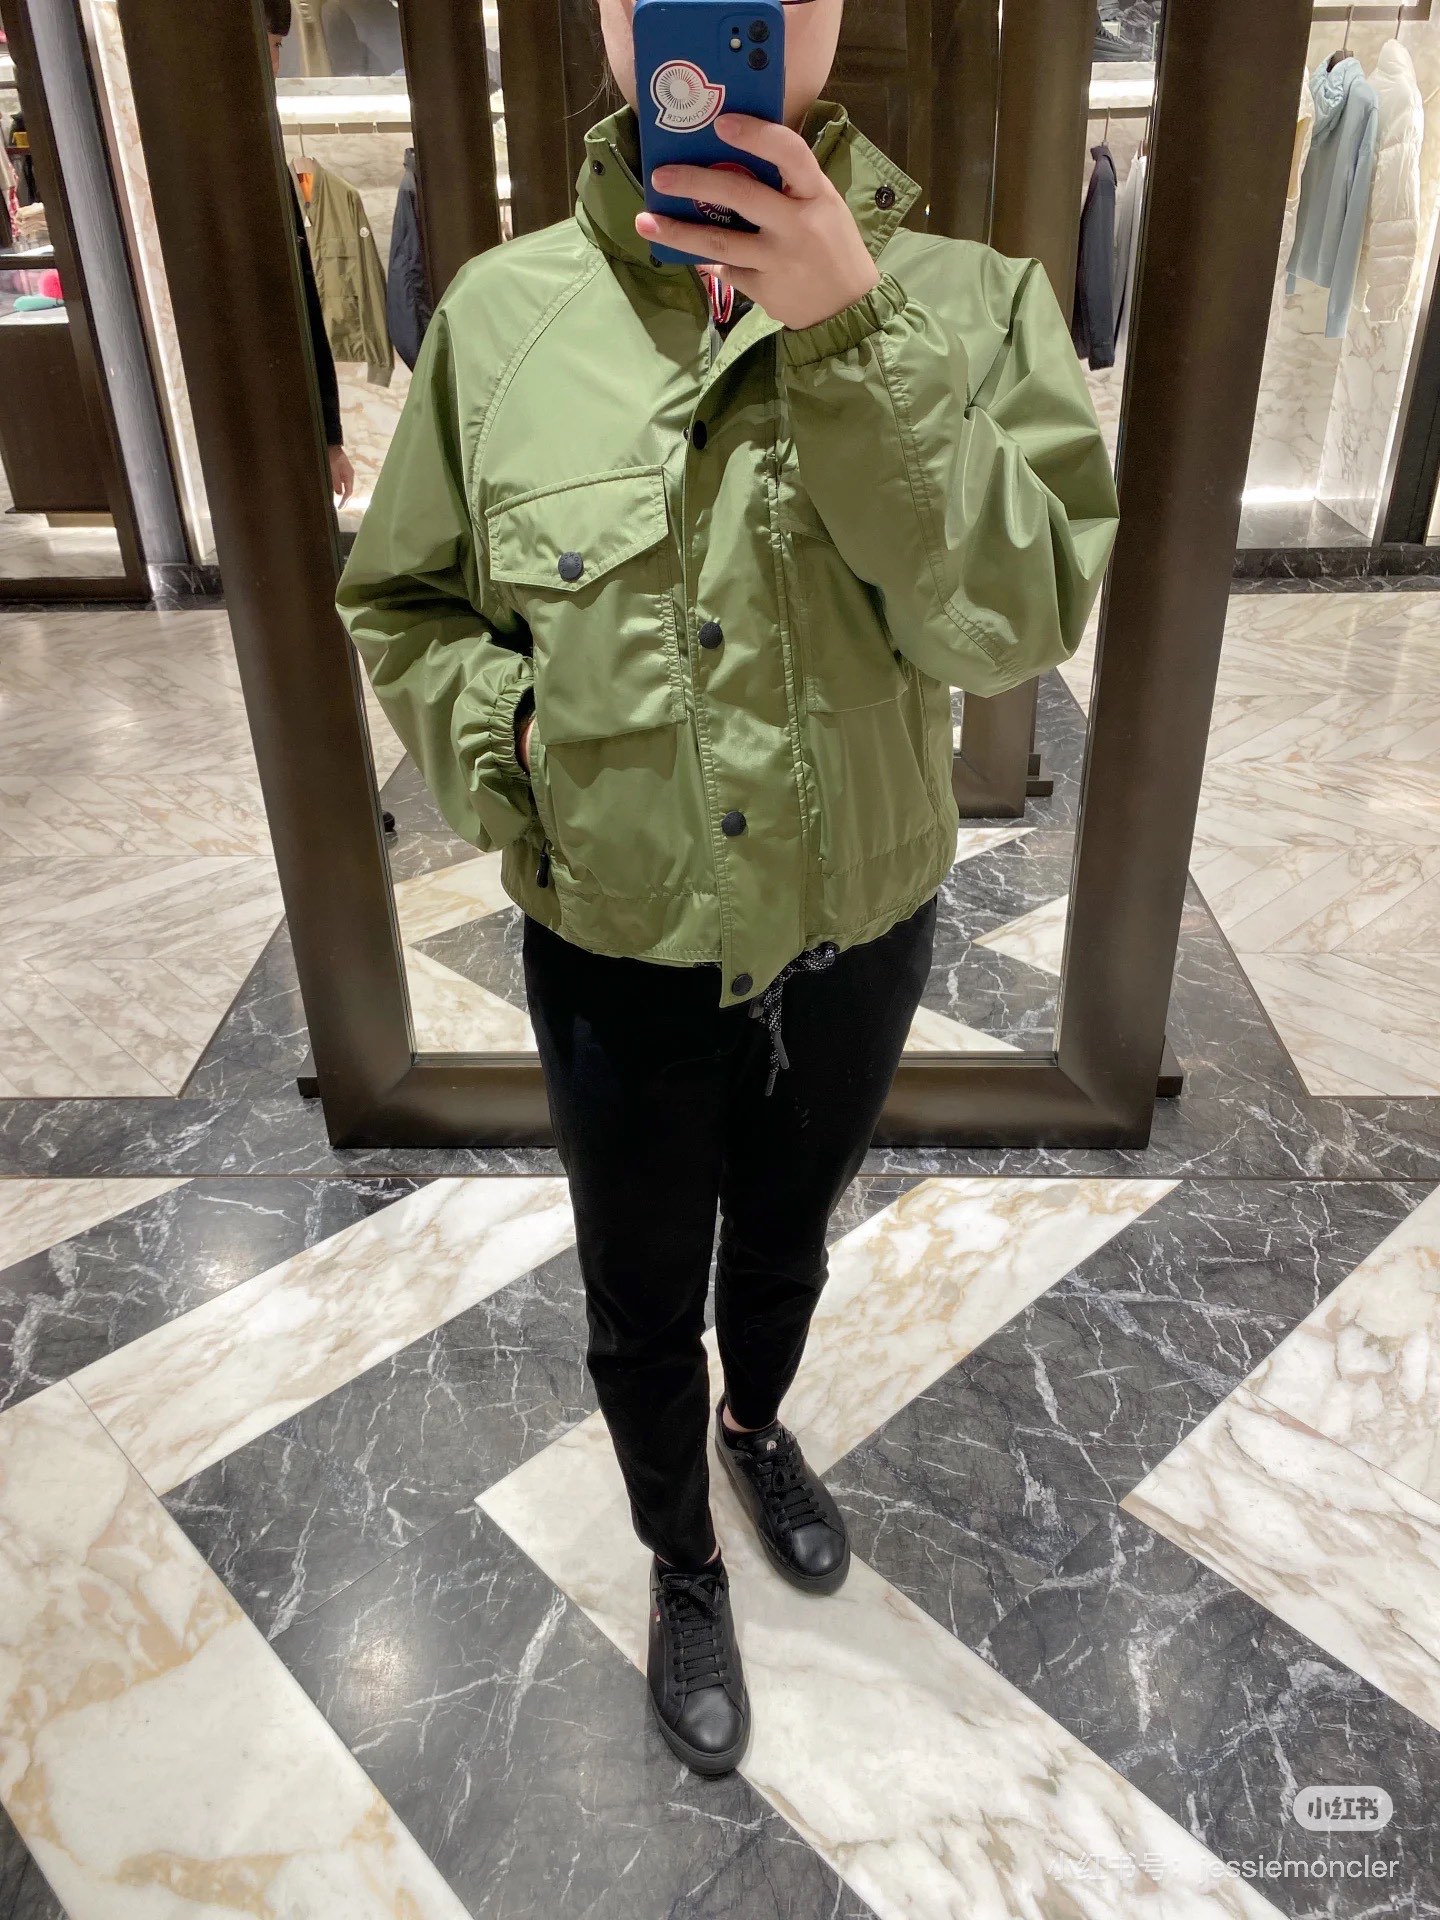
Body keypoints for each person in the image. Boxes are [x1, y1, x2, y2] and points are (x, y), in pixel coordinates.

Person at [336, 0, 1118, 1776]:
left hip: (858, 927)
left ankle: (756, 1426)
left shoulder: (975, 305)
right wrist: (515, 753)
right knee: (636, 1288)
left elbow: (1012, 620)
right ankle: (680, 1556)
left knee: (785, 1238)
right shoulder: (498, 321)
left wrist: (854, 334)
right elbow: (405, 601)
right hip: (615, 929)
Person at [262, 0, 355, 507]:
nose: (277, 64)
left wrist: (330, 437)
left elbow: (305, 310)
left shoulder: (269, 155)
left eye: (280, 47)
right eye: (274, 45)